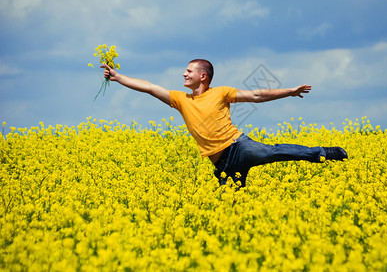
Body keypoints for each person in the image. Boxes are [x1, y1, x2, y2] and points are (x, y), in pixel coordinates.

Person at [101, 59, 347, 187]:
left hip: (239, 147)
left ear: (202, 76)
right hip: (222, 164)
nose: (184, 74)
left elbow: (257, 95)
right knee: (230, 205)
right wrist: (118, 76)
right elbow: (150, 88)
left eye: (189, 71)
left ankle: (325, 153)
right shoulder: (180, 100)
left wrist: (290, 91)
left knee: (275, 152)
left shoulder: (220, 93)